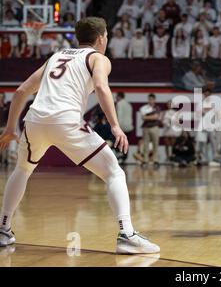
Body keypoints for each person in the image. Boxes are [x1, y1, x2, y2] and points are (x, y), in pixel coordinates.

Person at [0, 17, 159, 253]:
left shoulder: (55, 56)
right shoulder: (98, 58)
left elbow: (22, 90)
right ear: (101, 38)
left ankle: (3, 229)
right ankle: (126, 234)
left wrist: (11, 128)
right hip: (66, 120)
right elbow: (102, 87)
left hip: (34, 120)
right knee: (114, 172)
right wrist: (115, 126)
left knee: (23, 169)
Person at [139, 94, 161, 167]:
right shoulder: (144, 108)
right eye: (149, 99)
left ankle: (156, 160)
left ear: (154, 100)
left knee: (155, 144)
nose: (151, 101)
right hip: (146, 128)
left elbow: (156, 117)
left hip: (155, 127)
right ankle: (145, 160)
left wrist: (147, 117)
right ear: (148, 99)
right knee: (145, 144)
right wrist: (152, 117)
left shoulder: (157, 108)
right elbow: (143, 117)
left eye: (152, 99)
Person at [115, 92, 134, 164]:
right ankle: (124, 158)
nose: (115, 98)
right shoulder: (129, 105)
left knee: (119, 142)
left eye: (116, 96)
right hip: (129, 126)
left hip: (122, 126)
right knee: (126, 143)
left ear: (119, 96)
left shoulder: (119, 104)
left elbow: (119, 115)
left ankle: (120, 157)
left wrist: (117, 127)